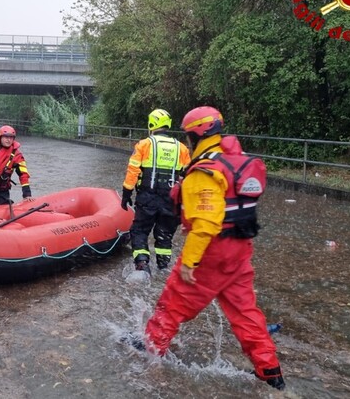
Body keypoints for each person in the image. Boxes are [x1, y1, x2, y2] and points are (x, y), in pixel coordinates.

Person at [141, 106, 285, 390]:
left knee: (171, 306)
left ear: (195, 135)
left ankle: (149, 355)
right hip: (240, 252)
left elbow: (206, 223)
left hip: (210, 253)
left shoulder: (203, 171)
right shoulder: (235, 161)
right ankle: (270, 372)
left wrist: (188, 263)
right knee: (247, 315)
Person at [121, 109, 191, 274]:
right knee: (164, 235)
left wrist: (126, 194)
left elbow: (133, 171)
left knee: (139, 230)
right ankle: (163, 267)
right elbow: (188, 176)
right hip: (171, 200)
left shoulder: (144, 144)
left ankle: (142, 265)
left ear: (151, 124)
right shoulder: (182, 148)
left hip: (147, 198)